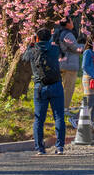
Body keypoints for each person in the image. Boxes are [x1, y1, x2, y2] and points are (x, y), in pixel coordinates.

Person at [23, 26, 67, 155]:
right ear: (50, 38)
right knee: (59, 117)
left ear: (36, 38)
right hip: (56, 85)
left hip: (40, 87)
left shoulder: (32, 50)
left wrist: (30, 43)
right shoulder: (54, 49)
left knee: (39, 119)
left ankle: (40, 148)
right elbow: (62, 53)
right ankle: (59, 147)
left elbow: (24, 58)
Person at [52, 16, 84, 127]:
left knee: (60, 87)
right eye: (71, 21)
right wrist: (87, 46)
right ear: (67, 23)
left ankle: (58, 107)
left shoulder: (58, 32)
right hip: (69, 65)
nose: (73, 23)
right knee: (68, 88)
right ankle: (64, 109)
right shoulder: (68, 34)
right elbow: (76, 48)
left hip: (60, 63)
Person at [79, 32, 94, 124]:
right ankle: (76, 118)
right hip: (89, 78)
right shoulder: (87, 52)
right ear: (90, 41)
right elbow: (84, 66)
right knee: (89, 102)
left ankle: (91, 122)